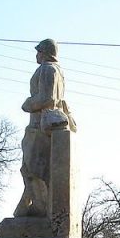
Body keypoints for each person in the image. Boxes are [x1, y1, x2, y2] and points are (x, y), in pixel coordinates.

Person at [14, 38, 75, 217]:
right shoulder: (57, 71)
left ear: (45, 53)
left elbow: (46, 99)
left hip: (39, 126)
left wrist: (27, 104)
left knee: (32, 168)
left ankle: (39, 206)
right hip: (43, 125)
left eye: (39, 51)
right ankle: (32, 205)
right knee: (32, 168)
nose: (36, 54)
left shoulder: (47, 69)